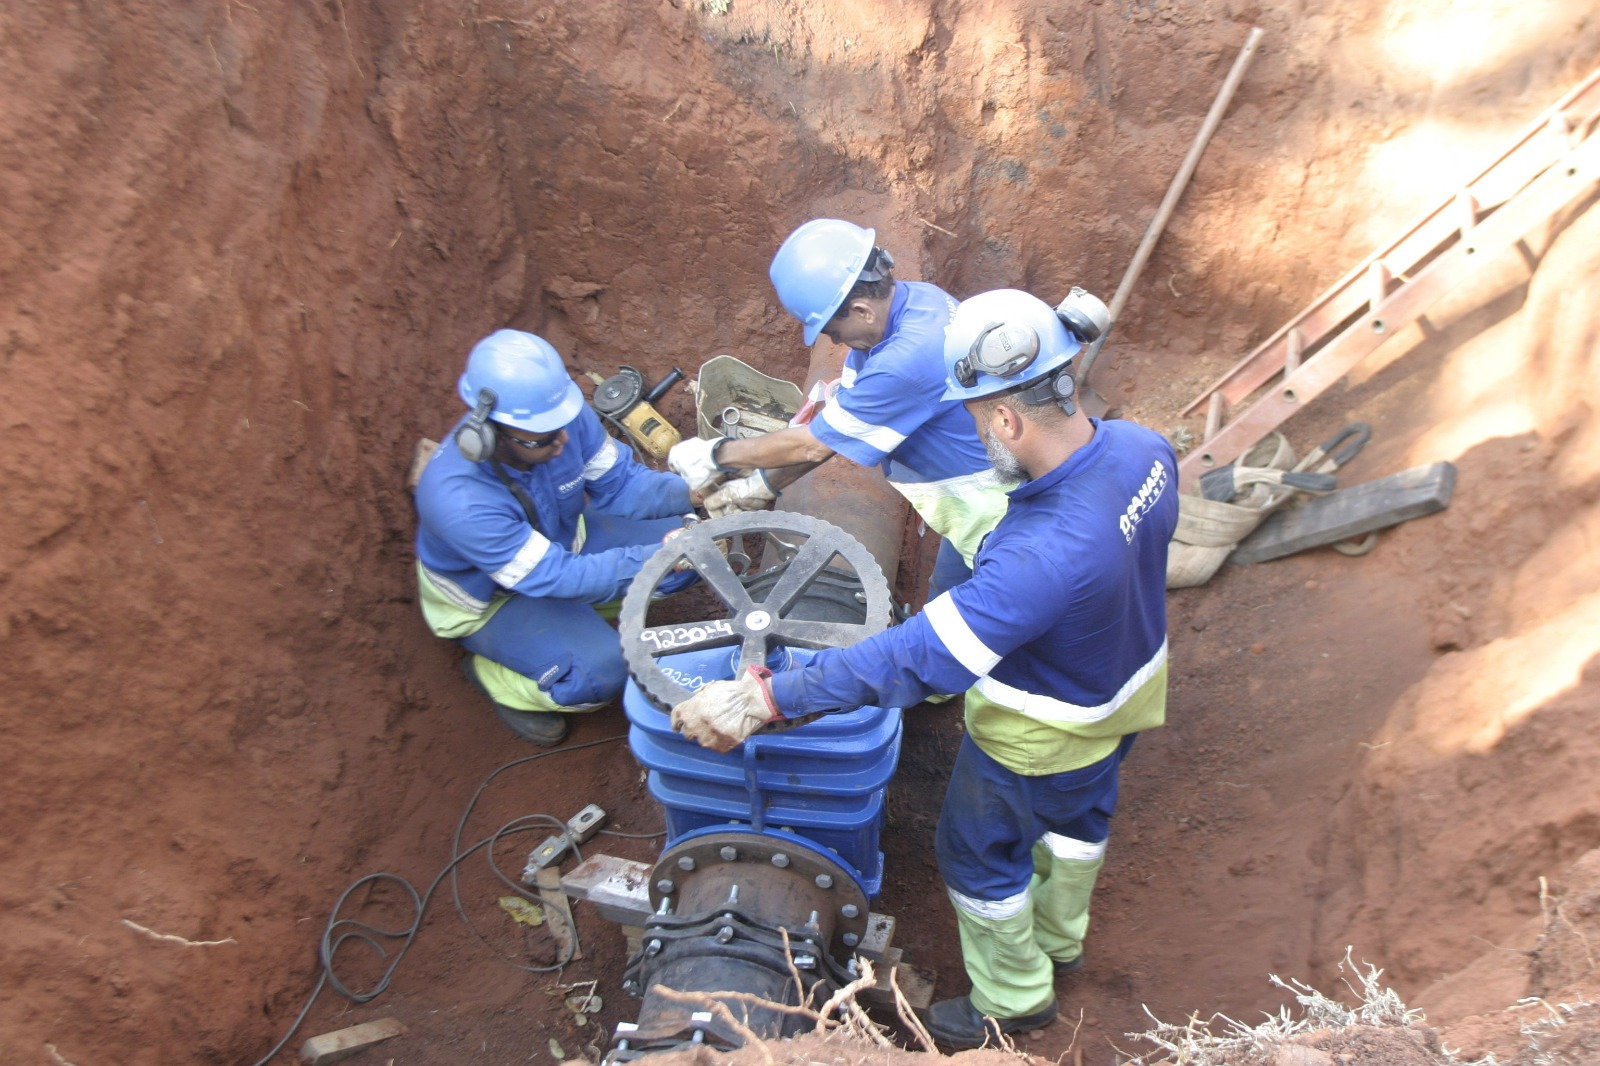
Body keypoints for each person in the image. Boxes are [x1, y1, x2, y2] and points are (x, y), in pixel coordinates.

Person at [667, 289, 1179, 1049]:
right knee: (1079, 819)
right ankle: (1063, 937)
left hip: (1041, 731)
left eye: (975, 421)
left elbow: (917, 658)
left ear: (1005, 418)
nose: (975, 435)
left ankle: (1014, 998)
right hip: (1127, 691)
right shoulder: (1143, 449)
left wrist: (765, 698)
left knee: (976, 855)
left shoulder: (1035, 556)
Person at [667, 218, 1004, 602]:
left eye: (832, 332)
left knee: (974, 614)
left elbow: (812, 445)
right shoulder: (918, 301)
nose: (833, 341)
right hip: (972, 490)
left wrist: (716, 454)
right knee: (946, 590)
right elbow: (831, 437)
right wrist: (760, 486)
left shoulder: (905, 361)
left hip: (991, 510)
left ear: (862, 310)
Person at [414, 329, 698, 747]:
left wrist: (698, 485)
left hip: (562, 547)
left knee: (684, 552)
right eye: (545, 438)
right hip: (493, 600)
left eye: (564, 423)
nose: (564, 441)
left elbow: (620, 484)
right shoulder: (459, 500)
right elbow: (556, 577)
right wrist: (661, 555)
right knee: (605, 671)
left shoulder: (554, 419)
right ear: (489, 435)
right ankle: (499, 680)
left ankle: (575, 624)